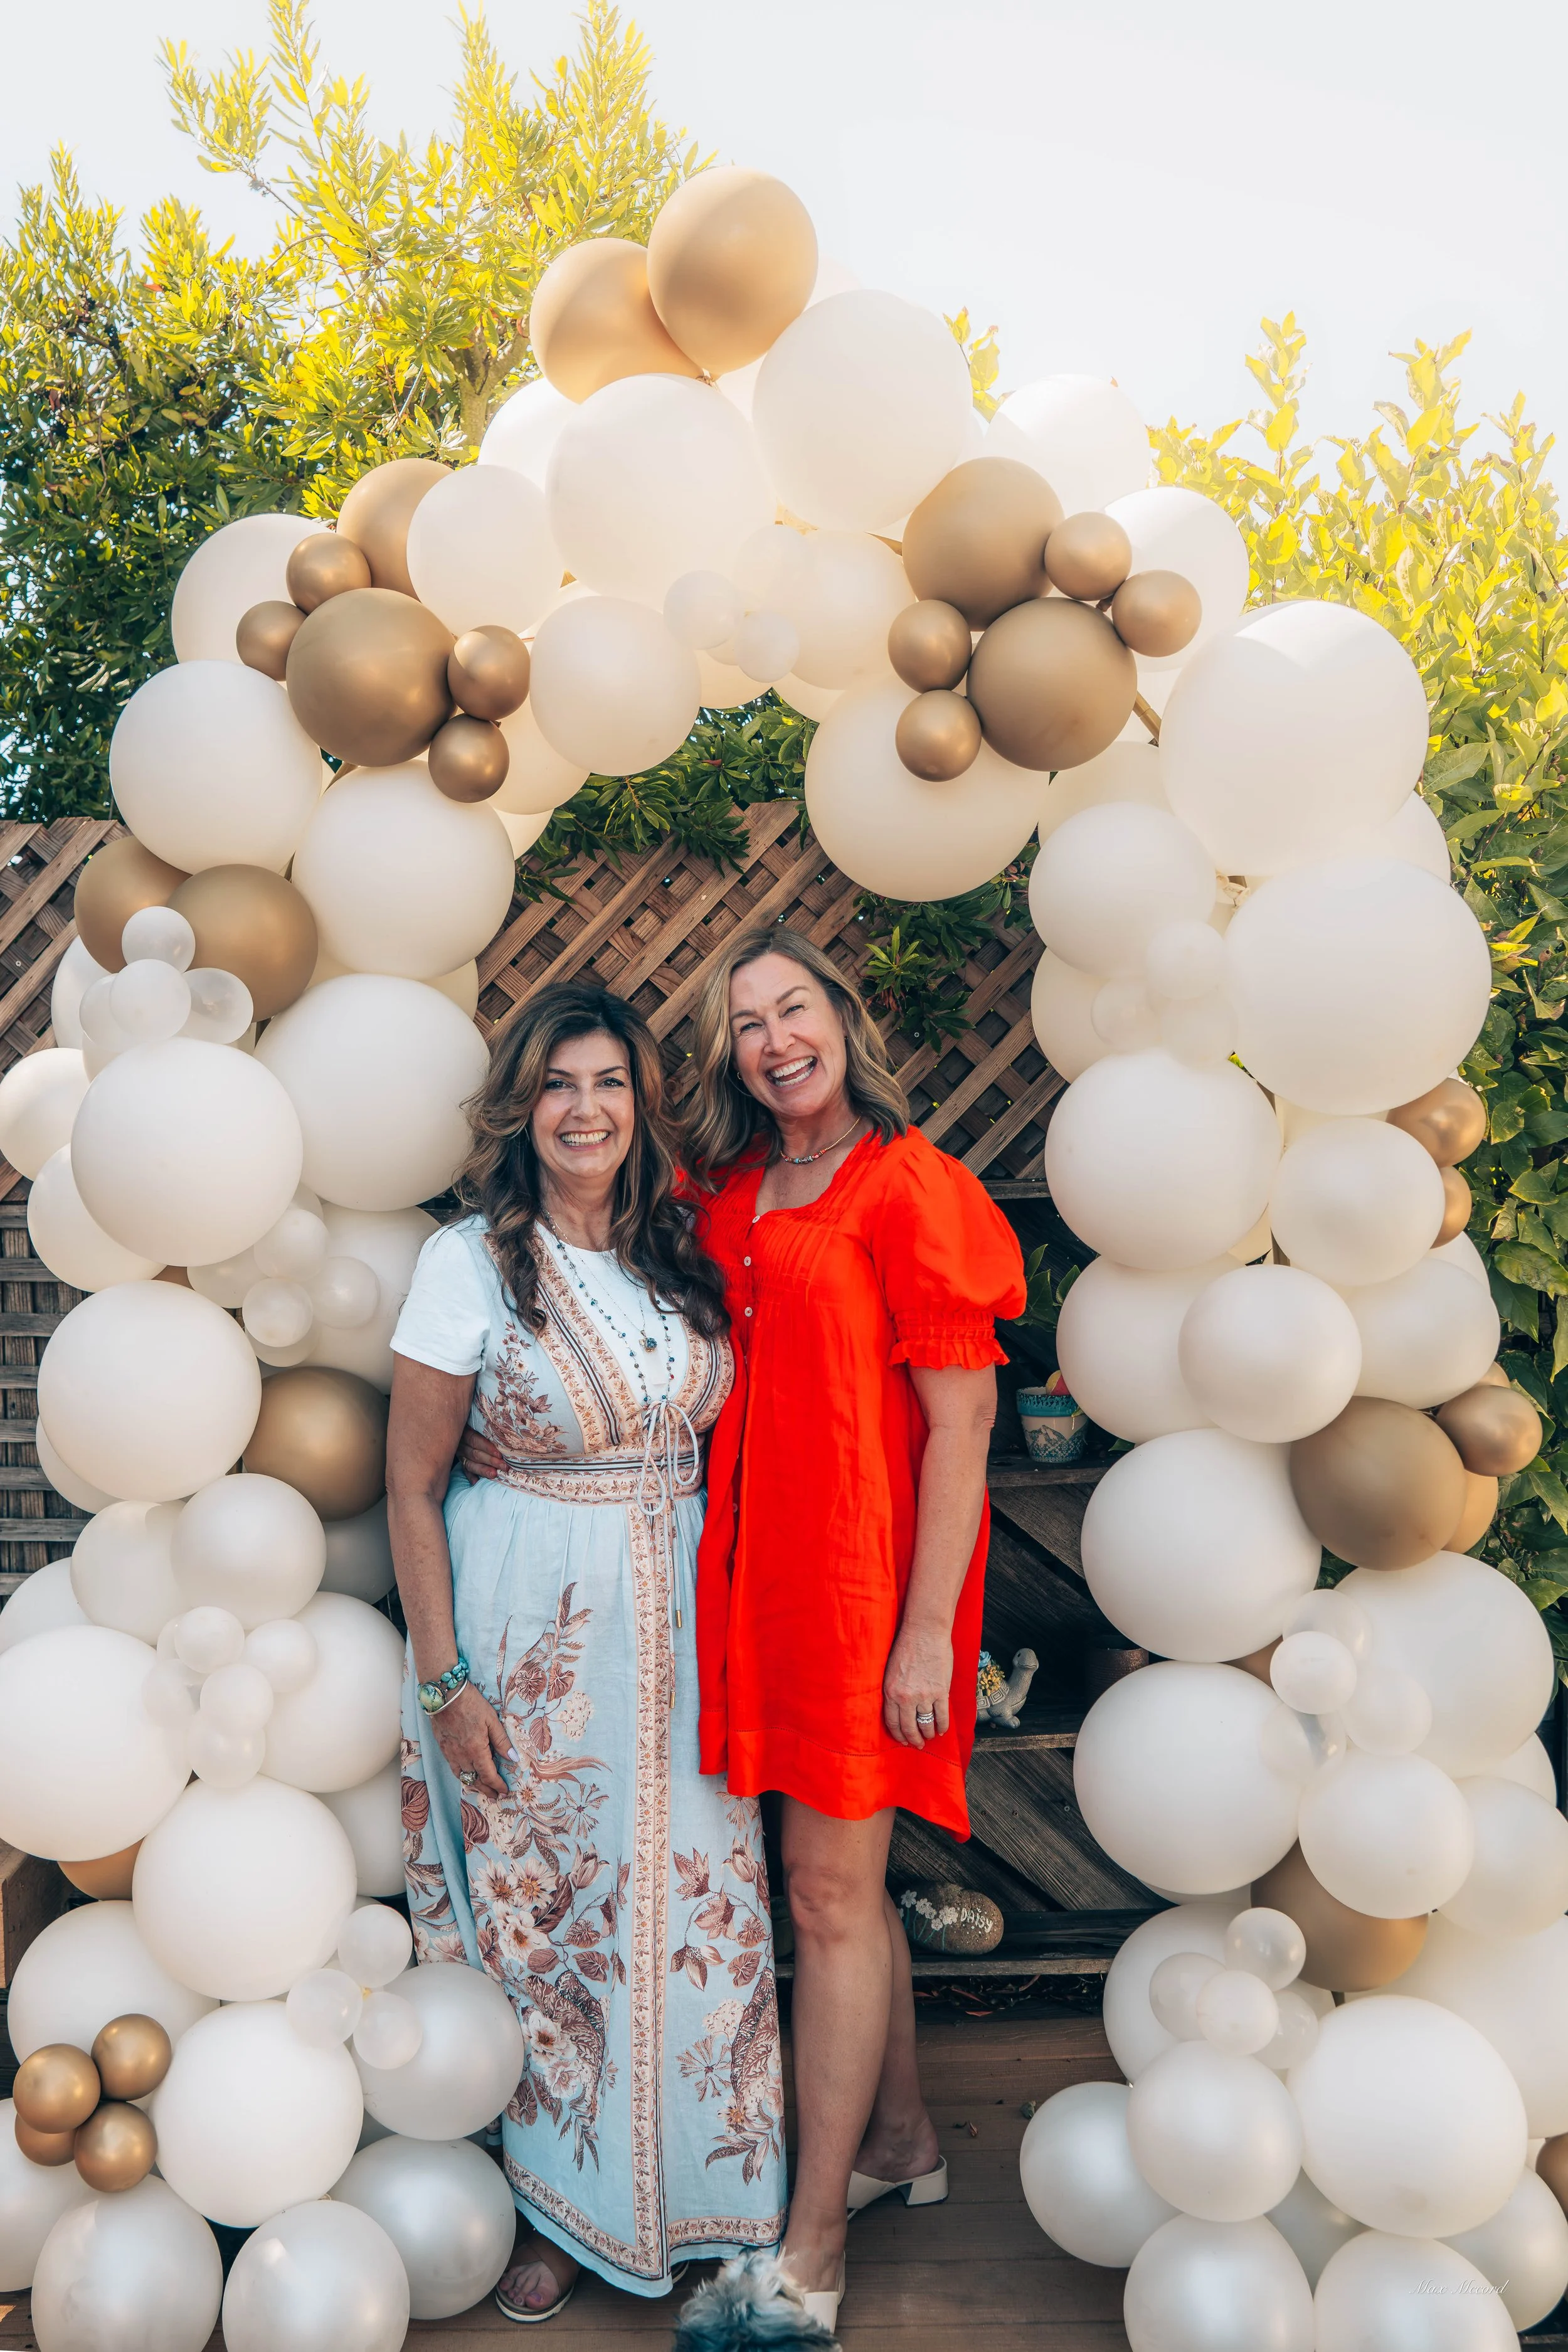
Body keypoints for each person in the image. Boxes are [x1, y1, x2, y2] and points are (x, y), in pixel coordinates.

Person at [387, 982, 785, 2326]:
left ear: (641, 1105)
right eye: (559, 1085)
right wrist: (447, 1681)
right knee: (550, 1932)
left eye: (609, 1084)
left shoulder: (679, 1250)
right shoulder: (468, 1264)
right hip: (530, 1634)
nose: (584, 1109)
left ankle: (702, 2201)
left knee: (692, 1918)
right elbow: (411, 1486)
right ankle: (553, 2213)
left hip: (686, 1630)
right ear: (524, 1106)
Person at [672, 922, 1026, 2341]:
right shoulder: (729, 1191)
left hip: (857, 1598)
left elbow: (963, 1428)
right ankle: (899, 2147)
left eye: (792, 1003)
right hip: (745, 1588)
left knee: (823, 1898)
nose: (773, 1038)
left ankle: (811, 2242)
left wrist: (925, 1633)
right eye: (745, 1022)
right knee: (825, 1885)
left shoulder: (913, 1188)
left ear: (840, 1016)